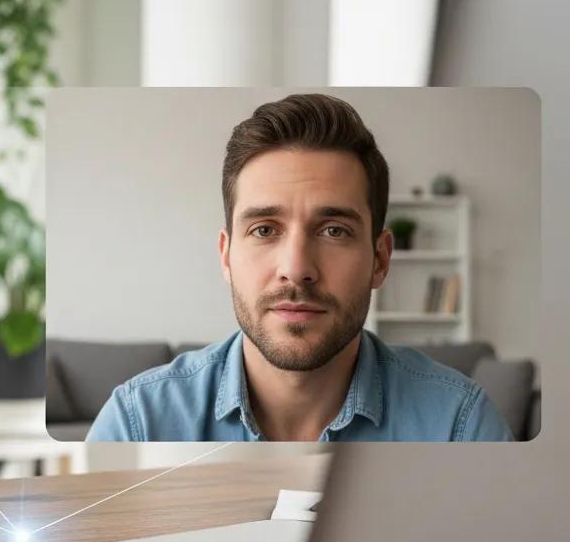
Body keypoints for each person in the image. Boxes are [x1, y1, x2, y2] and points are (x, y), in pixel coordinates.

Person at [87, 93, 512, 443]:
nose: (296, 269)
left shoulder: (461, 426)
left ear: (380, 259)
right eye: (264, 229)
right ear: (226, 256)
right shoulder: (136, 425)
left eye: (333, 231)